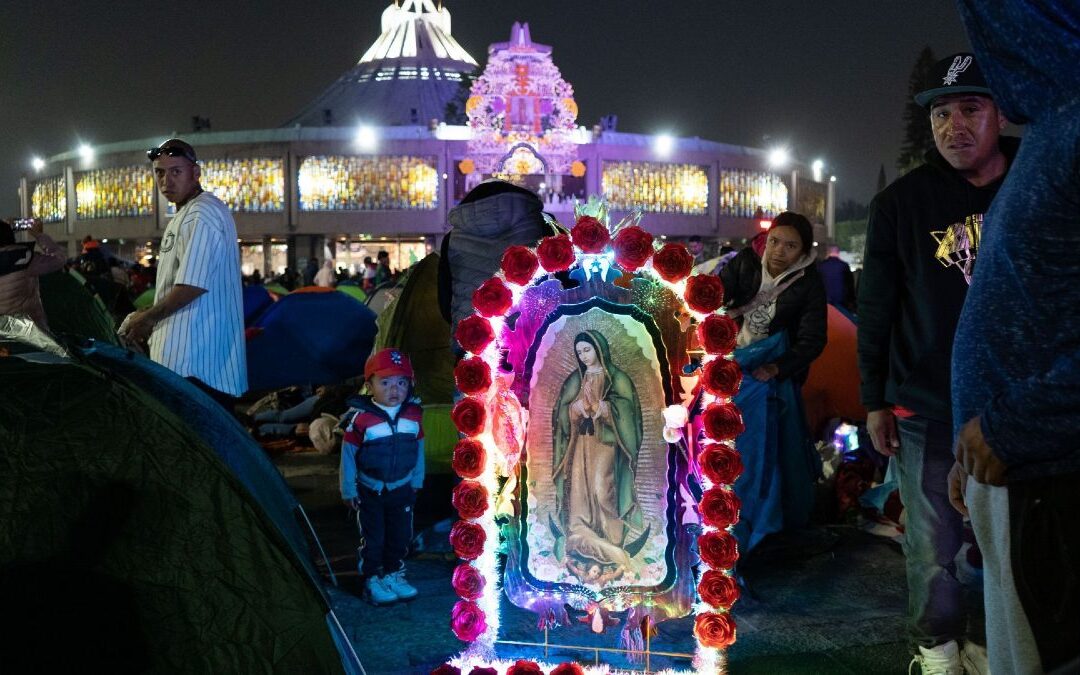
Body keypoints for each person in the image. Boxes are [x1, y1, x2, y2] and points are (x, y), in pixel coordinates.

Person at [857, 53, 1016, 675]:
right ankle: (939, 646)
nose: (954, 126)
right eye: (941, 114)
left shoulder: (1035, 183)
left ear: (1000, 114)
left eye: (971, 109)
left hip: (1017, 401)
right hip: (924, 403)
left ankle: (1002, 640)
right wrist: (874, 398)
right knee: (932, 541)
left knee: (1015, 536)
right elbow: (876, 307)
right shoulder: (902, 203)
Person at [949, 4, 1080, 673]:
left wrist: (1012, 427)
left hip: (1051, 480)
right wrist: (972, 442)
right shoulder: (1058, 127)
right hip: (1014, 472)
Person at [119, 139, 246, 407]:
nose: (167, 181)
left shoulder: (201, 214)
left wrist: (148, 318)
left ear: (195, 173)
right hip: (188, 360)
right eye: (160, 173)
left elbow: (191, 285)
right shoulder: (187, 213)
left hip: (195, 362)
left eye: (176, 171)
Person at [551, 330, 643, 578]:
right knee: (580, 490)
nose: (583, 356)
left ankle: (611, 540)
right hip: (580, 442)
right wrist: (574, 409)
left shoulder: (617, 379)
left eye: (587, 350)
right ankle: (581, 536)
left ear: (599, 349)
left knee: (603, 490)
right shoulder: (575, 380)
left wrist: (606, 409)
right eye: (579, 352)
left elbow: (629, 412)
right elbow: (560, 413)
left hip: (606, 444)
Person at [339, 348, 425, 606]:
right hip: (370, 490)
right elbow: (348, 455)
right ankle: (372, 578)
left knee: (400, 535)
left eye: (401, 382)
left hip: (402, 488)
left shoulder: (413, 415)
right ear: (369, 386)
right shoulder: (362, 420)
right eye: (385, 382)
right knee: (374, 537)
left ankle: (393, 574)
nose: (394, 389)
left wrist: (417, 479)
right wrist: (348, 489)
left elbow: (419, 447)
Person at [437, 179, 561, 340]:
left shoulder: (452, 240)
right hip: (535, 341)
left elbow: (445, 300)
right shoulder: (543, 227)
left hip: (475, 343)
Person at [720, 212, 827, 385]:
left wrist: (777, 367)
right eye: (774, 241)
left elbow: (812, 339)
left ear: (803, 251)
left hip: (772, 371)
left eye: (791, 246)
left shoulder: (809, 282)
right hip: (730, 354)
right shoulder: (746, 260)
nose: (779, 251)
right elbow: (718, 292)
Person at [0, 219, 66, 331]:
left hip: (4, 334)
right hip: (33, 332)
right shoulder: (26, 259)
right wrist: (39, 235)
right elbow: (59, 259)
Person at [817, 244, 856, 312]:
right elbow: (850, 285)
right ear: (838, 252)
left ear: (828, 252)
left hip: (825, 303)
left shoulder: (821, 266)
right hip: (841, 303)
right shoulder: (844, 266)